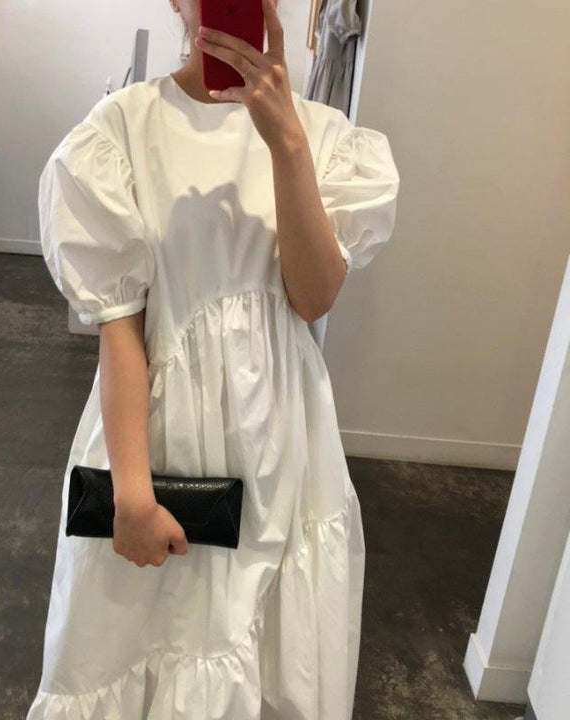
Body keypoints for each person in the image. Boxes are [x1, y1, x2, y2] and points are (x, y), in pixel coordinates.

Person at [26, 0, 400, 717]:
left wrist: (286, 144)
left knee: (266, 653)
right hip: (158, 441)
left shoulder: (323, 137)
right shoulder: (120, 132)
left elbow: (313, 296)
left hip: (284, 449)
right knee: (145, 643)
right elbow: (120, 330)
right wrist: (132, 496)